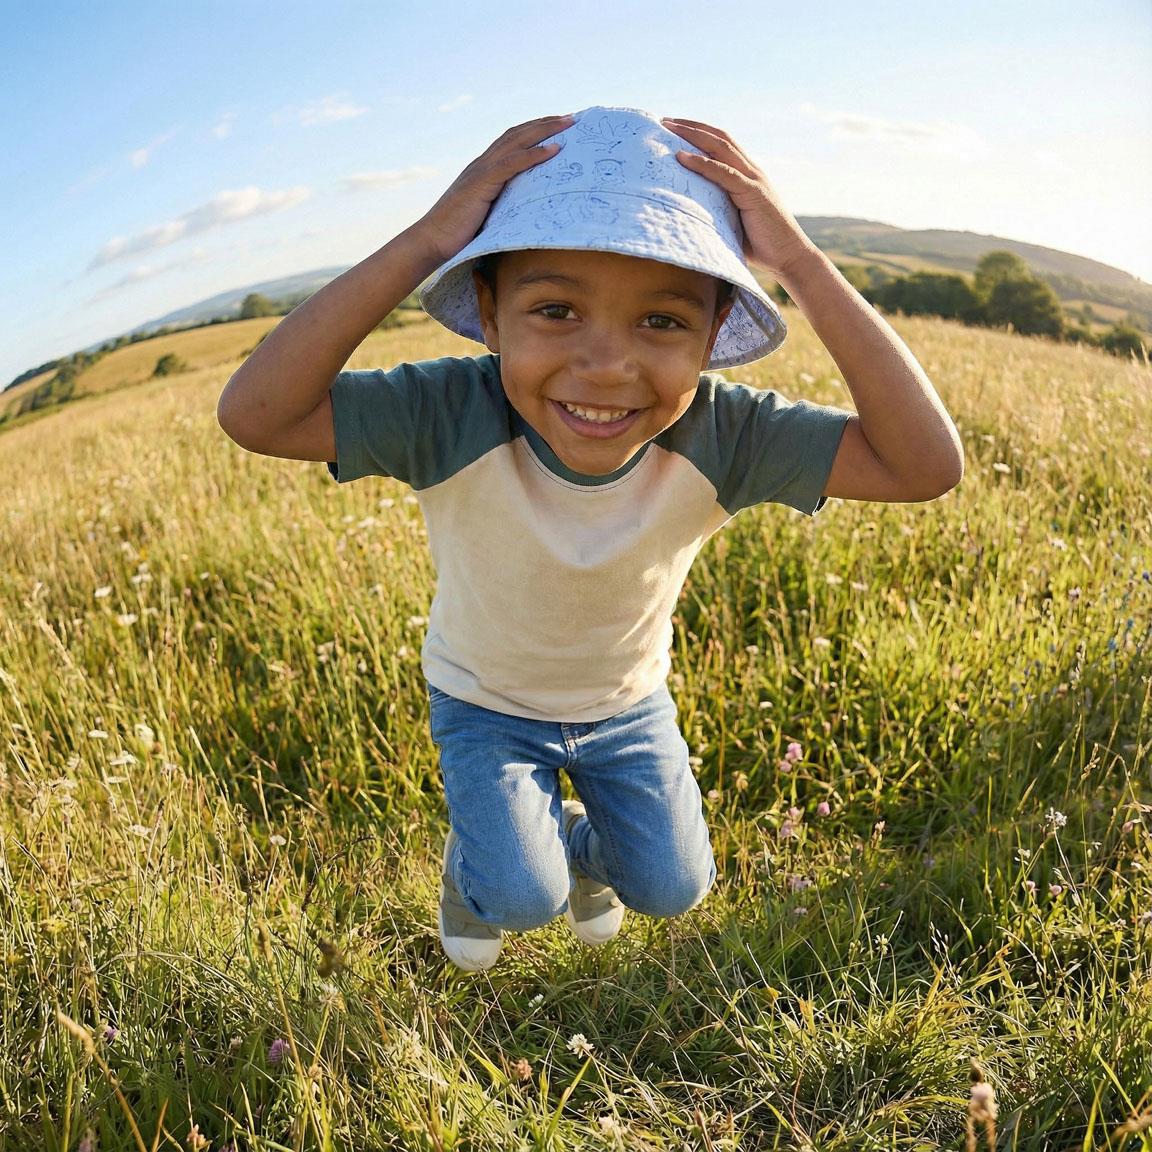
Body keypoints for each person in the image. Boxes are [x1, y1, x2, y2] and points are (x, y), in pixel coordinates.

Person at [217, 106, 963, 971]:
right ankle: (480, 870)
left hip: (626, 706)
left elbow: (922, 466)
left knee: (674, 888)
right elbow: (258, 414)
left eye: (662, 321)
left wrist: (797, 259)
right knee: (521, 899)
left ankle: (572, 845)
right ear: (489, 313)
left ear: (714, 334)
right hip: (485, 703)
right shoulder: (449, 412)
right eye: (556, 310)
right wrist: (429, 240)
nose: (606, 366)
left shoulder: (727, 435)